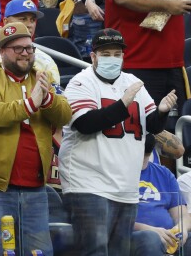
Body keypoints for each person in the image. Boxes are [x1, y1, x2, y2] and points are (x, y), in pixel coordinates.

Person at [60, 28, 175, 255]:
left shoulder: (132, 82)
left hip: (125, 187)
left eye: (116, 53)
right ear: (93, 57)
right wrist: (122, 104)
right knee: (94, 251)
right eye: (106, 53)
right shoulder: (80, 82)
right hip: (88, 185)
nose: (112, 58)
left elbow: (151, 126)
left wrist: (161, 112)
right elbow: (86, 124)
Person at [0, 22, 72, 255]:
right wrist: (31, 103)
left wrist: (46, 100)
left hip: (35, 188)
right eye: (18, 49)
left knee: (40, 252)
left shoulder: (42, 78)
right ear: (3, 51)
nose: (25, 53)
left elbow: (65, 114)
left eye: (29, 48)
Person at [133, 134, 191, 255]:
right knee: (150, 239)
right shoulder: (114, 175)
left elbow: (182, 215)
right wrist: (150, 230)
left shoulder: (164, 173)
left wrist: (182, 228)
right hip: (134, 237)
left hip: (169, 237)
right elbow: (113, 221)